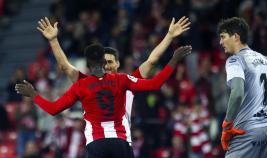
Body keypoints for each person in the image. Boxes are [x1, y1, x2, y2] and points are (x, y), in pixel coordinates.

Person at [15, 43, 192, 158]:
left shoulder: (81, 85)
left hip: (96, 145)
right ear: (103, 61)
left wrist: (34, 95)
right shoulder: (122, 79)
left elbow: (53, 109)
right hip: (120, 144)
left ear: (88, 64)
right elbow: (155, 84)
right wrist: (174, 59)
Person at [36, 16, 190, 145]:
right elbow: (65, 66)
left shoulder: (128, 80)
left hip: (122, 142)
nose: (107, 66)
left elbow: (151, 61)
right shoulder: (87, 82)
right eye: (104, 62)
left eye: (110, 62)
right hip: (102, 142)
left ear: (118, 64)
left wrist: (169, 36)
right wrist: (54, 40)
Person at [218, 17, 267, 158]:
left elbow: (237, 93)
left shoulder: (235, 60)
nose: (220, 42)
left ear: (236, 37)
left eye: (223, 37)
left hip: (245, 132)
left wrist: (227, 125)